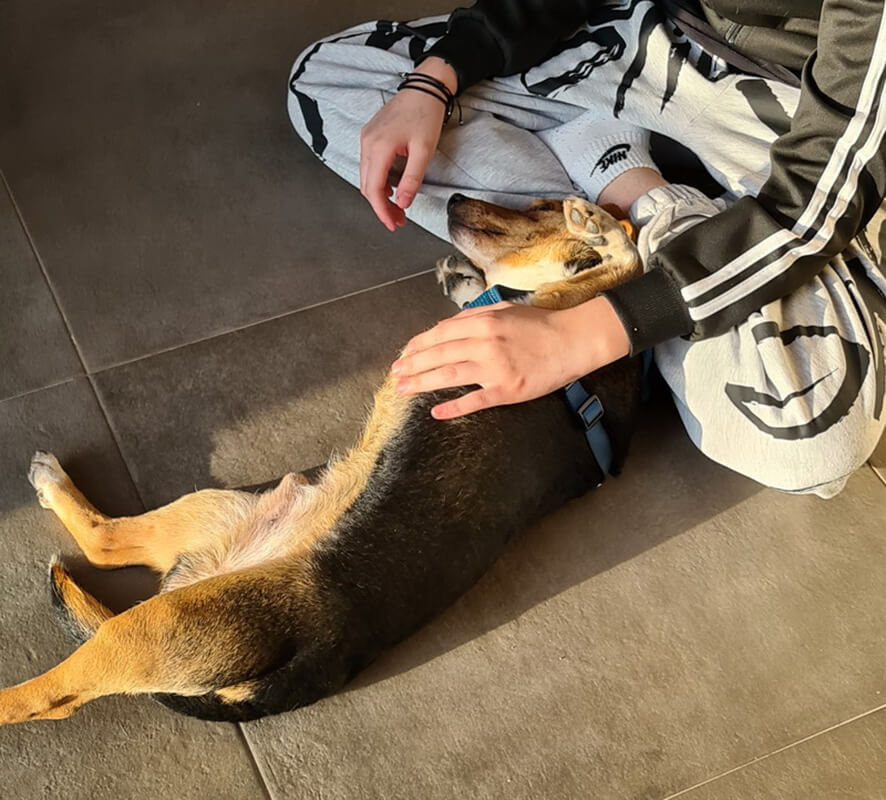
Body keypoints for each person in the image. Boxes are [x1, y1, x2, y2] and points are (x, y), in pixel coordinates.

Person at [288, 0, 886, 498]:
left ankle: (626, 191)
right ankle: (619, 207)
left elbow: (813, 193)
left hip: (808, 117)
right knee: (327, 82)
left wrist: (584, 334)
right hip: (648, 41)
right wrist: (437, 77)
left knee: (811, 443)